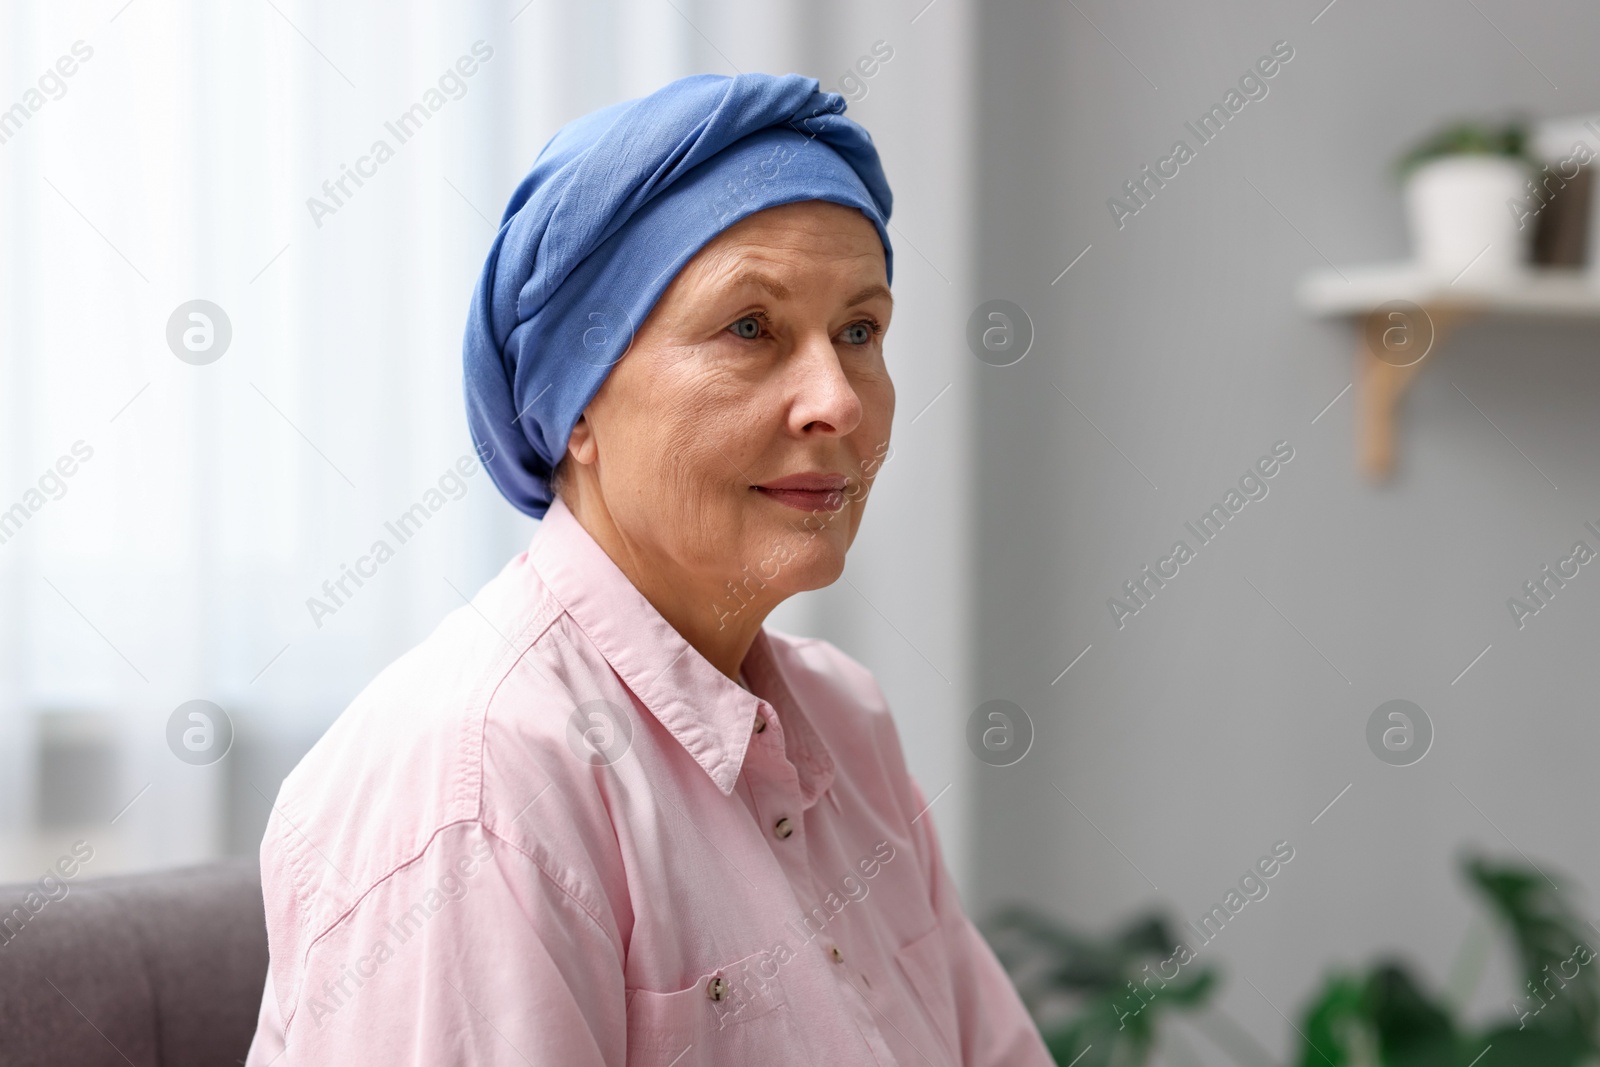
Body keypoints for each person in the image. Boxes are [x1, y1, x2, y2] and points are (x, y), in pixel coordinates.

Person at [244, 71, 1053, 1066]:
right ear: (575, 403)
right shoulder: (482, 783)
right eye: (750, 328)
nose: (836, 402)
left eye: (859, 330)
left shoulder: (846, 719)